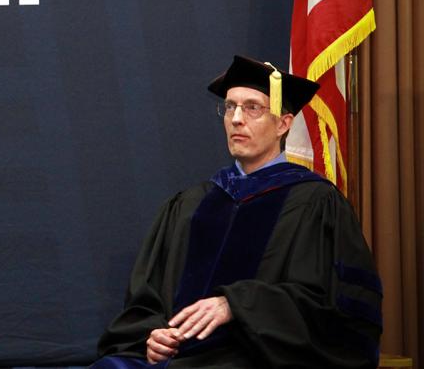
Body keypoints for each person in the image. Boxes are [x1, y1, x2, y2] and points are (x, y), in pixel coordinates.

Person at [92, 56, 382, 369]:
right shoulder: (190, 205)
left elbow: (339, 314)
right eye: (230, 107)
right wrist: (153, 336)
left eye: (252, 107)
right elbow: (146, 302)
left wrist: (237, 305)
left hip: (258, 359)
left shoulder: (315, 204)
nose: (236, 119)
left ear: (283, 123)